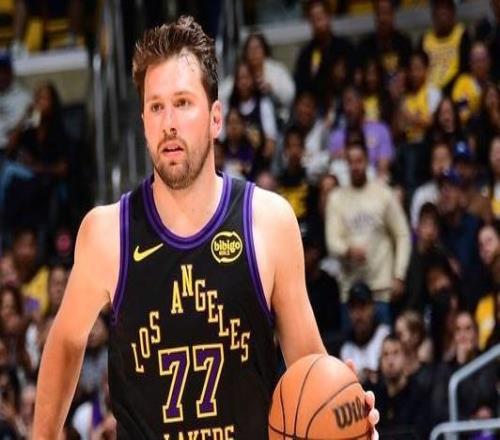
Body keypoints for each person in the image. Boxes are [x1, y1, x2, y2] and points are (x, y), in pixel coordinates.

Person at [33, 17, 379, 439]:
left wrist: (343, 412)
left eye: (183, 102)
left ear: (216, 118)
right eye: (156, 107)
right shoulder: (107, 232)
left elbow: (307, 363)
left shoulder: (268, 221)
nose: (169, 122)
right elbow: (66, 341)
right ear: (143, 123)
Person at [325, 134, 411, 324]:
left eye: (359, 161)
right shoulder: (336, 199)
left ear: (366, 161)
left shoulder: (383, 194)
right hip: (350, 293)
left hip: (381, 290)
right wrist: (347, 251)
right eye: (351, 162)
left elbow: (402, 234)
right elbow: (332, 241)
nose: (355, 166)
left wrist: (399, 275)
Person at [294, 0, 353, 103]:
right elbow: (301, 88)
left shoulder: (345, 47)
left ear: (329, 17)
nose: (318, 24)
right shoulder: (306, 54)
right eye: (313, 20)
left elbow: (355, 81)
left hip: (344, 103)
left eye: (320, 18)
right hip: (317, 106)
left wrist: (342, 78)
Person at [339, 281, 390, 383]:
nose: (358, 315)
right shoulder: (344, 346)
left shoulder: (385, 336)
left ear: (372, 308)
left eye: (362, 307)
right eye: (353, 308)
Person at [420, 0, 470, 93]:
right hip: (427, 93)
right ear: (433, 14)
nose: (443, 12)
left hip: (454, 91)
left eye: (447, 8)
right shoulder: (424, 39)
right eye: (439, 8)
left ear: (453, 12)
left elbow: (465, 70)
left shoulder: (462, 35)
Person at [356, 0, 412, 79]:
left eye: (386, 13)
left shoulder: (404, 44)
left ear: (393, 15)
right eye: (379, 13)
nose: (382, 19)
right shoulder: (364, 46)